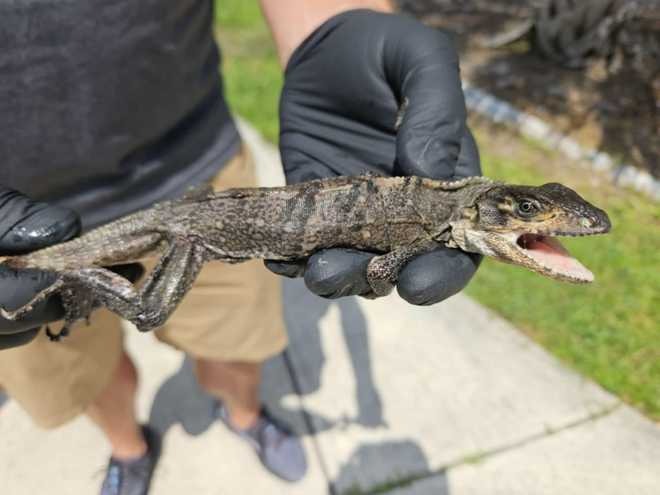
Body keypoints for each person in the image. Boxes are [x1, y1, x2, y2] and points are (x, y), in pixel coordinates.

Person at [0, 0, 481, 494]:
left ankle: (245, 417)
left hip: (195, 172)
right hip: (32, 217)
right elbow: (382, 272)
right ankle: (129, 450)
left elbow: (381, 266)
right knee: (101, 352)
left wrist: (332, 24)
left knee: (235, 348)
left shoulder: (437, 209)